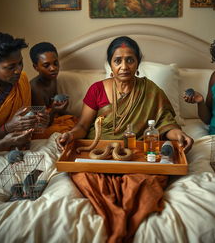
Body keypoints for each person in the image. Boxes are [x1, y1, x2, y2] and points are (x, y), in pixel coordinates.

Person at [56, 36, 194, 242]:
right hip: (99, 154)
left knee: (146, 182)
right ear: (110, 64)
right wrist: (69, 135)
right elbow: (83, 126)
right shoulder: (96, 89)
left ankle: (126, 225)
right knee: (87, 177)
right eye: (117, 60)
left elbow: (166, 125)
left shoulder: (151, 91)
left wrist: (180, 135)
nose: (124, 66)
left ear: (138, 63)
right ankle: (116, 221)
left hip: (136, 153)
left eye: (130, 60)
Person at [0, 32, 49, 150]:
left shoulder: (21, 80)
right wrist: (7, 130)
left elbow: (25, 121)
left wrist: (39, 121)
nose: (18, 71)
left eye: (20, 63)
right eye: (10, 67)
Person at [29, 42, 78, 139]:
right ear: (36, 67)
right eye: (46, 65)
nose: (53, 68)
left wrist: (62, 108)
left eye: (55, 63)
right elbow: (43, 124)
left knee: (80, 123)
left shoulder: (52, 78)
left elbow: (54, 107)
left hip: (52, 118)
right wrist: (54, 110)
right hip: (41, 126)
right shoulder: (35, 88)